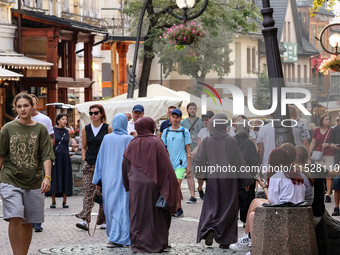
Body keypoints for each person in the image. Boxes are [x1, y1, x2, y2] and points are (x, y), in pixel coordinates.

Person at [0, 92, 54, 255]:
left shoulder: (41, 129)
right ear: (15, 108)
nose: (22, 109)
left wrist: (47, 177)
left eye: (26, 105)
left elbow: (46, 155)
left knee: (28, 221)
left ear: (33, 107)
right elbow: (1, 154)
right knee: (16, 216)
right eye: (19, 106)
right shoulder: (8, 128)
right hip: (10, 179)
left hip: (34, 181)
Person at [122, 117, 182, 253]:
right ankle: (157, 243)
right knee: (156, 215)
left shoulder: (133, 143)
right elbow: (165, 165)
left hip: (135, 185)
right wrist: (171, 185)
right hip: (154, 184)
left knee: (138, 214)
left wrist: (127, 185)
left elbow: (125, 165)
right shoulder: (156, 141)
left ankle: (138, 244)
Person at [194, 113, 254, 249]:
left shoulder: (207, 140)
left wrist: (201, 175)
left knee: (212, 205)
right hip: (229, 180)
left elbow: (199, 159)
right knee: (228, 208)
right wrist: (246, 181)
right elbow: (239, 162)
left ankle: (209, 228)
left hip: (213, 179)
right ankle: (225, 240)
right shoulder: (230, 140)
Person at [230, 148, 305, 254]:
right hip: (296, 214)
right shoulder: (297, 176)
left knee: (252, 214)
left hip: (283, 214)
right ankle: (247, 239)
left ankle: (251, 245)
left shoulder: (277, 176)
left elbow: (272, 201)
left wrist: (264, 187)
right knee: (255, 201)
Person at [92, 113, 133, 248]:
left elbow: (100, 159)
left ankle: (114, 237)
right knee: (123, 207)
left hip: (108, 179)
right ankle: (123, 237)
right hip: (124, 180)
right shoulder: (129, 139)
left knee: (111, 208)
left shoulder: (107, 138)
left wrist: (97, 179)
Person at [76, 104, 112, 231]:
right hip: (90, 164)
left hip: (104, 165)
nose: (93, 115)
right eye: (91, 113)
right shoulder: (86, 128)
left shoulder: (108, 128)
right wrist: (84, 160)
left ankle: (104, 220)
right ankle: (85, 220)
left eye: (95, 113)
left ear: (101, 114)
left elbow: (110, 147)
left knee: (104, 193)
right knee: (88, 192)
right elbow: (84, 147)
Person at [29, 94, 55, 232]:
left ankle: (37, 221)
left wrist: (45, 153)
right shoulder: (18, 120)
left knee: (39, 190)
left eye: (32, 103)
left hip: (40, 161)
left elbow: (52, 138)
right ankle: (29, 219)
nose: (30, 107)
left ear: (36, 105)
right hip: (25, 162)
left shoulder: (45, 120)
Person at [162, 109, 190, 217]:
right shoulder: (166, 131)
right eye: (173, 116)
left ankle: (178, 208)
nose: (175, 119)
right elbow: (163, 148)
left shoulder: (184, 131)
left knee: (176, 185)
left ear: (180, 118)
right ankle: (176, 208)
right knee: (171, 186)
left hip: (180, 163)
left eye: (177, 117)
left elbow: (188, 148)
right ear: (170, 117)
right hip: (169, 164)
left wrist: (189, 165)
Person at [234, 121, 260, 226]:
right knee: (248, 198)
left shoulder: (231, 141)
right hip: (247, 175)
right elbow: (254, 161)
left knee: (234, 197)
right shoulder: (249, 143)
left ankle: (233, 218)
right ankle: (246, 220)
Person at [46, 114, 73, 208]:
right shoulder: (52, 130)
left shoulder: (68, 132)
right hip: (55, 156)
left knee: (65, 177)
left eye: (66, 119)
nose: (65, 121)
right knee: (54, 177)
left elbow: (67, 143)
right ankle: (53, 201)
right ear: (58, 121)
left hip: (65, 157)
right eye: (62, 119)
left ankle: (64, 201)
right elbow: (50, 143)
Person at [180, 102, 204, 204]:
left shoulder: (201, 122)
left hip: (199, 151)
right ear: (187, 110)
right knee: (190, 174)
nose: (192, 110)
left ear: (196, 110)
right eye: (191, 109)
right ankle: (192, 196)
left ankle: (200, 188)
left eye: (194, 109)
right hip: (188, 152)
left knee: (200, 175)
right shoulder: (183, 123)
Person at [309, 114, 334, 203]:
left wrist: (328, 145)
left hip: (329, 154)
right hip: (318, 155)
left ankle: (328, 195)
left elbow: (335, 142)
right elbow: (312, 143)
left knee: (328, 176)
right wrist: (308, 154)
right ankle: (321, 192)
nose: (328, 121)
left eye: (329, 119)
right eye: (326, 119)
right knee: (319, 175)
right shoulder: (316, 130)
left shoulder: (332, 130)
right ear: (322, 121)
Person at [189, 110, 215, 200]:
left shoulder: (217, 131)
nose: (204, 121)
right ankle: (200, 188)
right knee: (200, 176)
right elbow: (198, 146)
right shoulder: (202, 131)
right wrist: (192, 153)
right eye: (203, 120)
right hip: (202, 158)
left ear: (212, 120)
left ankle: (208, 193)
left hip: (213, 158)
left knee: (210, 177)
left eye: (206, 119)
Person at [329, 117, 340, 216]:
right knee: (337, 185)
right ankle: (336, 207)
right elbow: (330, 143)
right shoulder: (335, 129)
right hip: (338, 159)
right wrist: (335, 146)